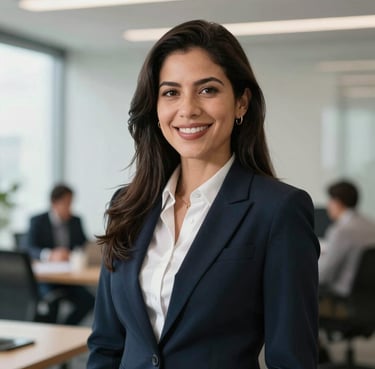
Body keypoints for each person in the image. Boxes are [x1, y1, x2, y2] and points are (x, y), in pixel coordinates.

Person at [87, 20, 320, 369]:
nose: (188, 109)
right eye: (170, 92)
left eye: (207, 90)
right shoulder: (127, 206)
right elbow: (106, 345)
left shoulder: (278, 210)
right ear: (155, 106)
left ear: (241, 102)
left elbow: (293, 360)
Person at [25, 183, 95, 325]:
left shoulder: (76, 221)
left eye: (71, 203)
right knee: (52, 302)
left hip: (69, 278)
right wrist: (49, 255)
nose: (69, 207)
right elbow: (28, 248)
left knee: (90, 300)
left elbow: (83, 245)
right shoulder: (38, 221)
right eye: (66, 203)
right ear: (54, 203)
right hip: (47, 279)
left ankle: (64, 327)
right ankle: (53, 331)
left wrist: (74, 254)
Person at [319, 180, 375, 296]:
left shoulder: (341, 231)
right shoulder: (371, 225)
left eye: (330, 200)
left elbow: (324, 275)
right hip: (369, 296)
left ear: (338, 202)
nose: (328, 205)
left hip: (344, 294)